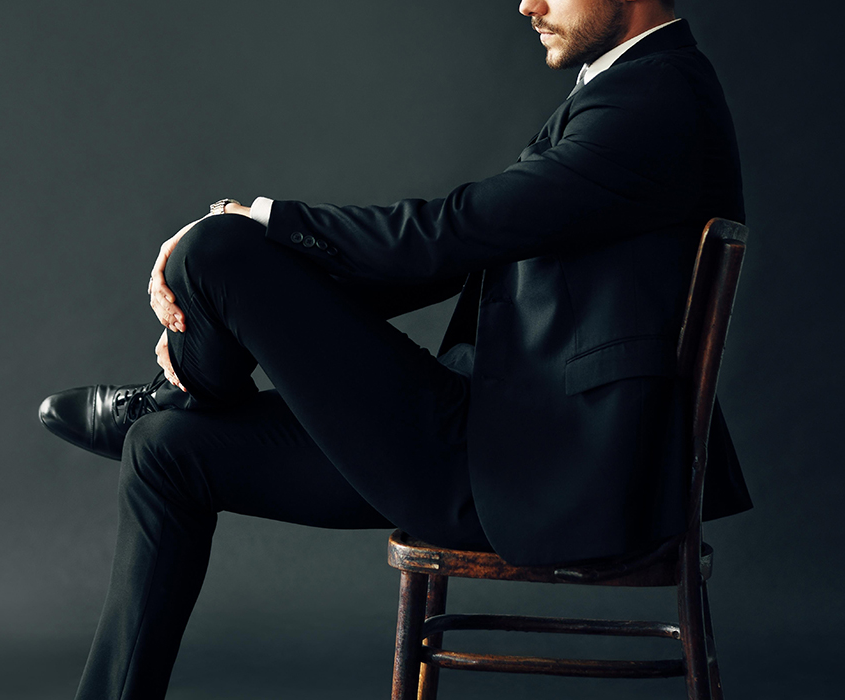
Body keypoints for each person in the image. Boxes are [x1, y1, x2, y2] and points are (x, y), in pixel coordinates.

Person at [38, 0, 753, 696]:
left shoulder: (653, 101)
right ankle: (177, 401)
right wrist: (267, 292)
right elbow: (457, 261)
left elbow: (456, 232)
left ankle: (186, 386)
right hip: (498, 444)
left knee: (218, 247)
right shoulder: (637, 90)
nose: (527, 5)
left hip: (527, 472)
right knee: (166, 450)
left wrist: (252, 228)